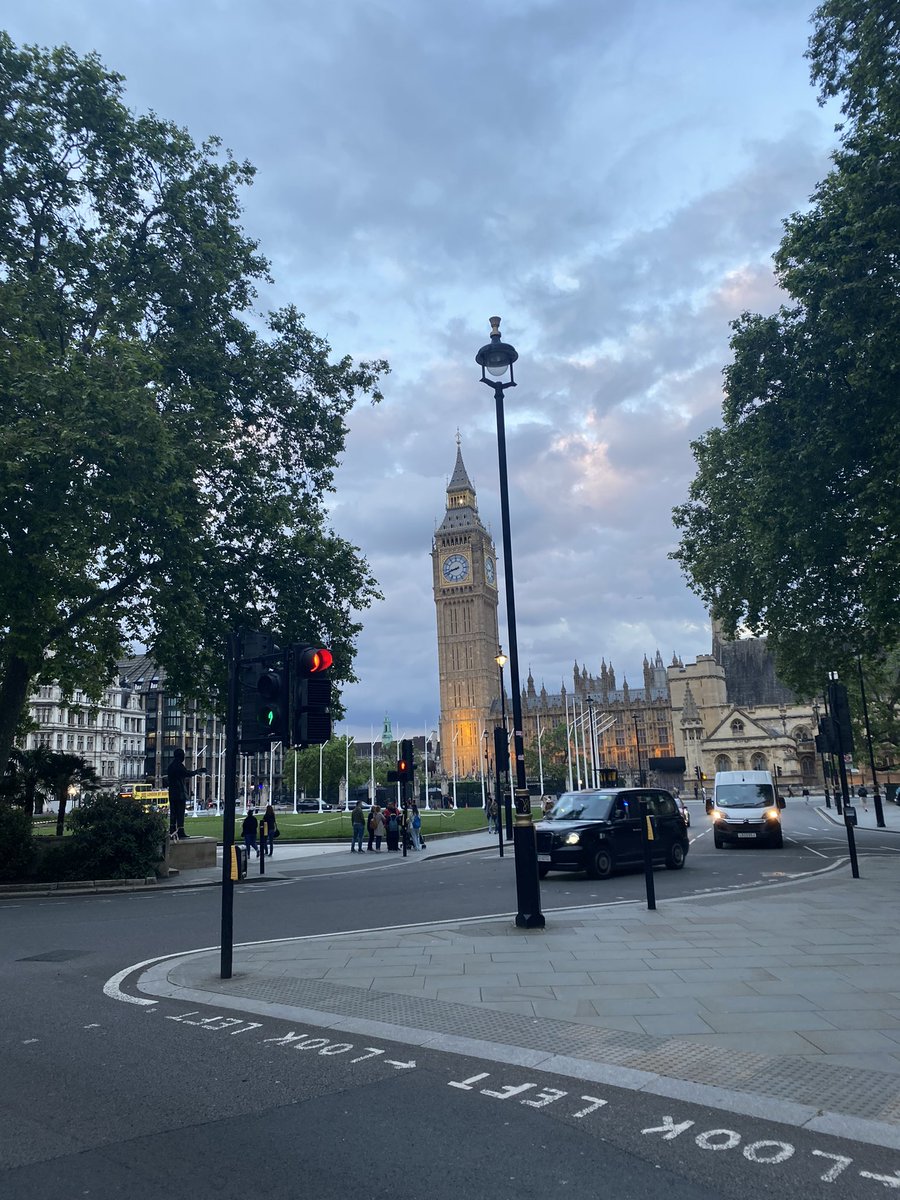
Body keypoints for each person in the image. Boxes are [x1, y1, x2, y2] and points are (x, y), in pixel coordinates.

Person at [166, 748, 208, 841]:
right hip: (179, 793)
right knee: (180, 813)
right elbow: (187, 773)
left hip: (172, 793)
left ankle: (173, 829)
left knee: (173, 813)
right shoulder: (178, 766)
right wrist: (198, 771)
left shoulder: (171, 766)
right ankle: (180, 830)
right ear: (180, 756)